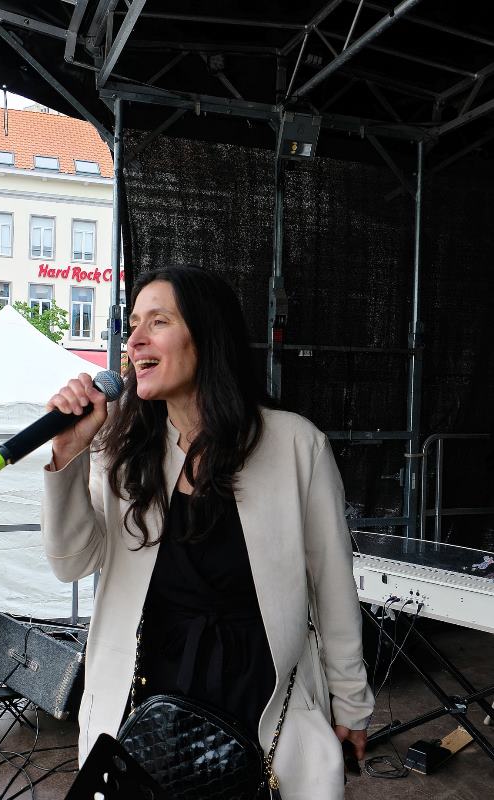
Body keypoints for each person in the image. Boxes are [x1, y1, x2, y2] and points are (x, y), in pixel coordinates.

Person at [41, 265, 374, 799]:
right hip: (146, 692)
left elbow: (333, 586)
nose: (136, 340)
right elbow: (71, 562)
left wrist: (351, 701)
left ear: (208, 335)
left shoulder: (294, 444)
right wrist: (68, 454)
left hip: (258, 693)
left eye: (159, 321)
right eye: (133, 325)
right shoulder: (120, 450)